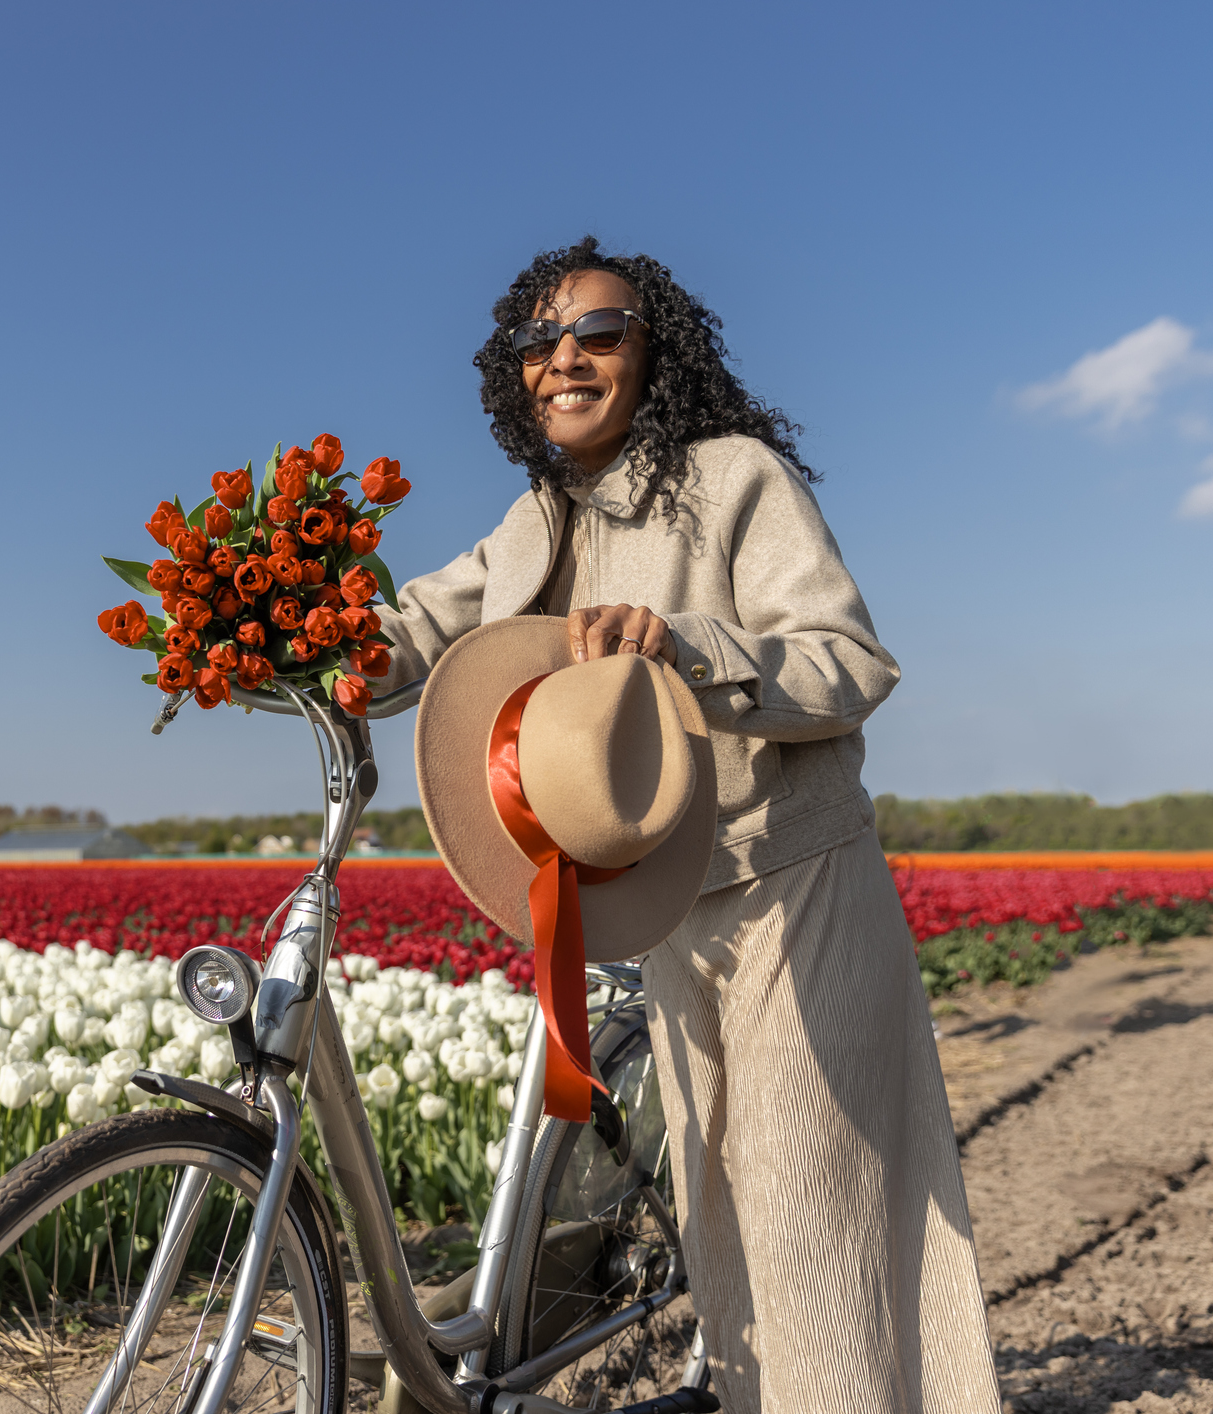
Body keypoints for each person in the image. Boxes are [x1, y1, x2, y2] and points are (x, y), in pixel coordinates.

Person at [367, 237, 1001, 1414]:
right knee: (722, 1224)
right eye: (537, 342)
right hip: (660, 894)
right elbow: (407, 634)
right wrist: (257, 629)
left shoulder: (731, 478)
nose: (563, 358)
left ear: (651, 351)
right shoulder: (536, 523)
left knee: (812, 1214)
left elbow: (848, 662)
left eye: (597, 333)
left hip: (792, 880)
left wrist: (691, 644)